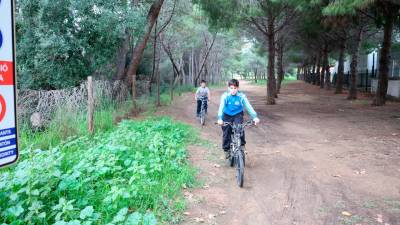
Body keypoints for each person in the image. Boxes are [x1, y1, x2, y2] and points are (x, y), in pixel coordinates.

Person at [217, 79, 260, 158]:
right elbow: (221, 106)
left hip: (237, 114)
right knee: (226, 132)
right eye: (231, 88)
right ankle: (226, 150)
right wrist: (219, 118)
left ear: (238, 88)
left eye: (235, 88)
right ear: (228, 88)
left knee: (239, 128)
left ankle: (242, 145)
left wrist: (254, 117)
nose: (233, 90)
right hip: (226, 115)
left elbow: (248, 106)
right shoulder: (225, 96)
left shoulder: (241, 96)